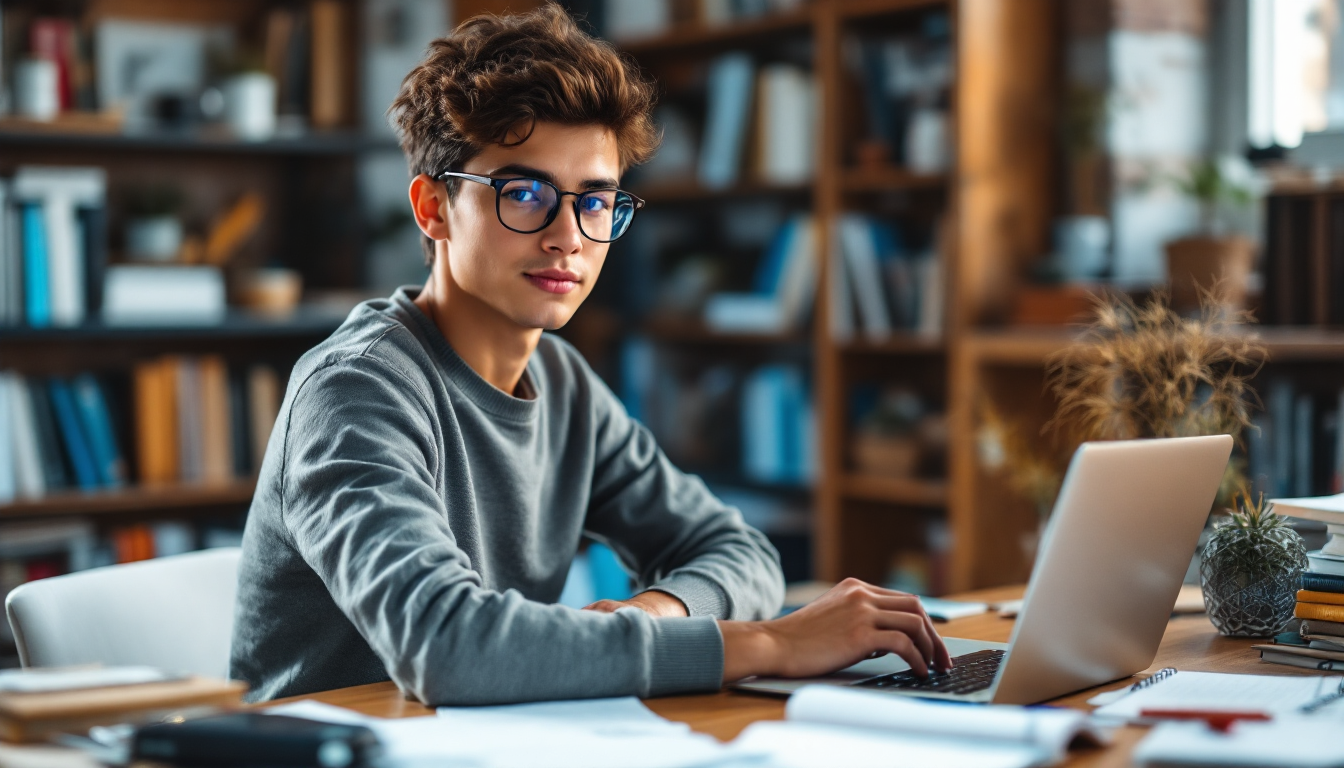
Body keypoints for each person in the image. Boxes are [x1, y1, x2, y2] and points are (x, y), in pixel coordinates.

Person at [230, 3, 951, 705]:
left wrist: (660, 614)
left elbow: (737, 550)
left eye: (596, 201)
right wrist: (769, 645)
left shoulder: (560, 380)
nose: (568, 236)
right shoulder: (355, 391)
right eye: (525, 192)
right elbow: (448, 649)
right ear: (434, 209)